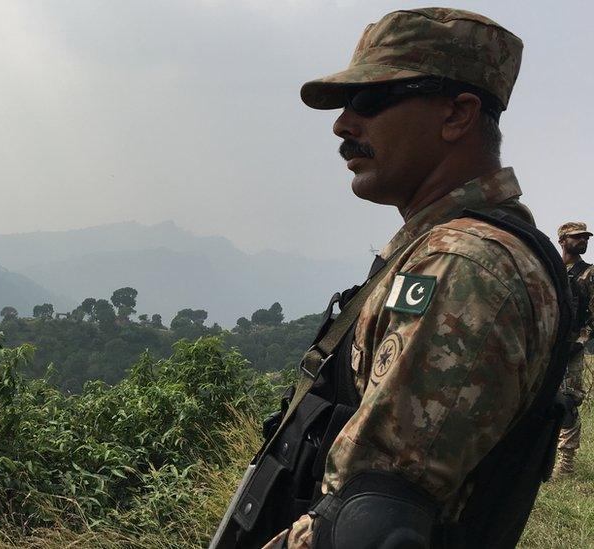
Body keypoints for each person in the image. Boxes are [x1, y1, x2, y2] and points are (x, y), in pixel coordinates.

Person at [210, 8, 569, 549]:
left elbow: (368, 525)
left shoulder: (462, 266)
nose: (343, 124)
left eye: (373, 100)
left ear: (457, 114)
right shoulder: (445, 249)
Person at [554, 221, 594, 477]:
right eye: (577, 237)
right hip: (546, 345)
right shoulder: (551, 269)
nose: (584, 241)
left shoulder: (589, 273)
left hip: (572, 347)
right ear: (562, 240)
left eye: (586, 237)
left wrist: (580, 341)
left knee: (567, 402)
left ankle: (565, 464)